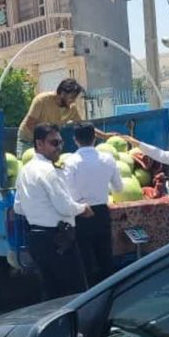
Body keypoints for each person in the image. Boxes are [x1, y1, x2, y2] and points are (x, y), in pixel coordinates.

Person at [14, 123, 93, 300]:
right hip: (58, 240)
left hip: (37, 239)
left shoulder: (25, 170)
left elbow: (18, 206)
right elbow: (64, 207)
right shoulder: (48, 171)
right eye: (54, 143)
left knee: (50, 292)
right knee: (74, 295)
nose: (59, 147)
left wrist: (38, 211)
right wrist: (83, 208)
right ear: (39, 144)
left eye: (60, 143)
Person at [63, 121, 123, 286]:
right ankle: (109, 290)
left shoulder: (70, 162)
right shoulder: (108, 158)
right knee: (105, 257)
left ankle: (89, 293)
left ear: (75, 139)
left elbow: (66, 191)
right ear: (95, 137)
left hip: (81, 213)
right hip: (102, 212)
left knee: (85, 260)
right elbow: (118, 188)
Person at [17, 78, 88, 157]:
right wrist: (46, 141)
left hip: (49, 144)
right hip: (28, 141)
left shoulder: (72, 108)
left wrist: (99, 135)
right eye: (72, 97)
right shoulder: (42, 100)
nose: (73, 101)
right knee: (27, 163)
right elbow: (30, 124)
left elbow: (83, 126)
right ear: (62, 93)